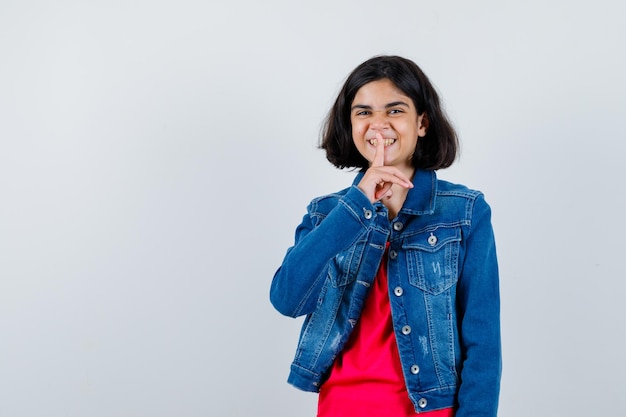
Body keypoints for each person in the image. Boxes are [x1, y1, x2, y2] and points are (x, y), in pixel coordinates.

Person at [269, 55, 501, 417]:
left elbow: (483, 341)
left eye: (394, 111)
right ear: (350, 125)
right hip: (342, 407)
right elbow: (287, 299)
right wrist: (357, 204)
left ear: (421, 122)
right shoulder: (327, 213)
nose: (378, 125)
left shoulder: (465, 212)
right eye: (363, 113)